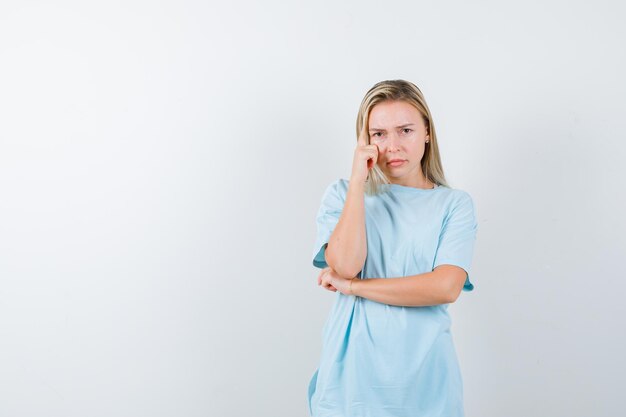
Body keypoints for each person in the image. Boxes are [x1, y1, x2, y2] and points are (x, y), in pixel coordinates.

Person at [307, 79, 478, 417]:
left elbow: (445, 287)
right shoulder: (342, 195)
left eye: (405, 130)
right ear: (364, 141)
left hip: (425, 386)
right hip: (350, 386)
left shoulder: (453, 205)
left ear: (427, 132)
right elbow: (345, 265)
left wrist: (354, 288)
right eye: (379, 134)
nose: (393, 146)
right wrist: (358, 181)